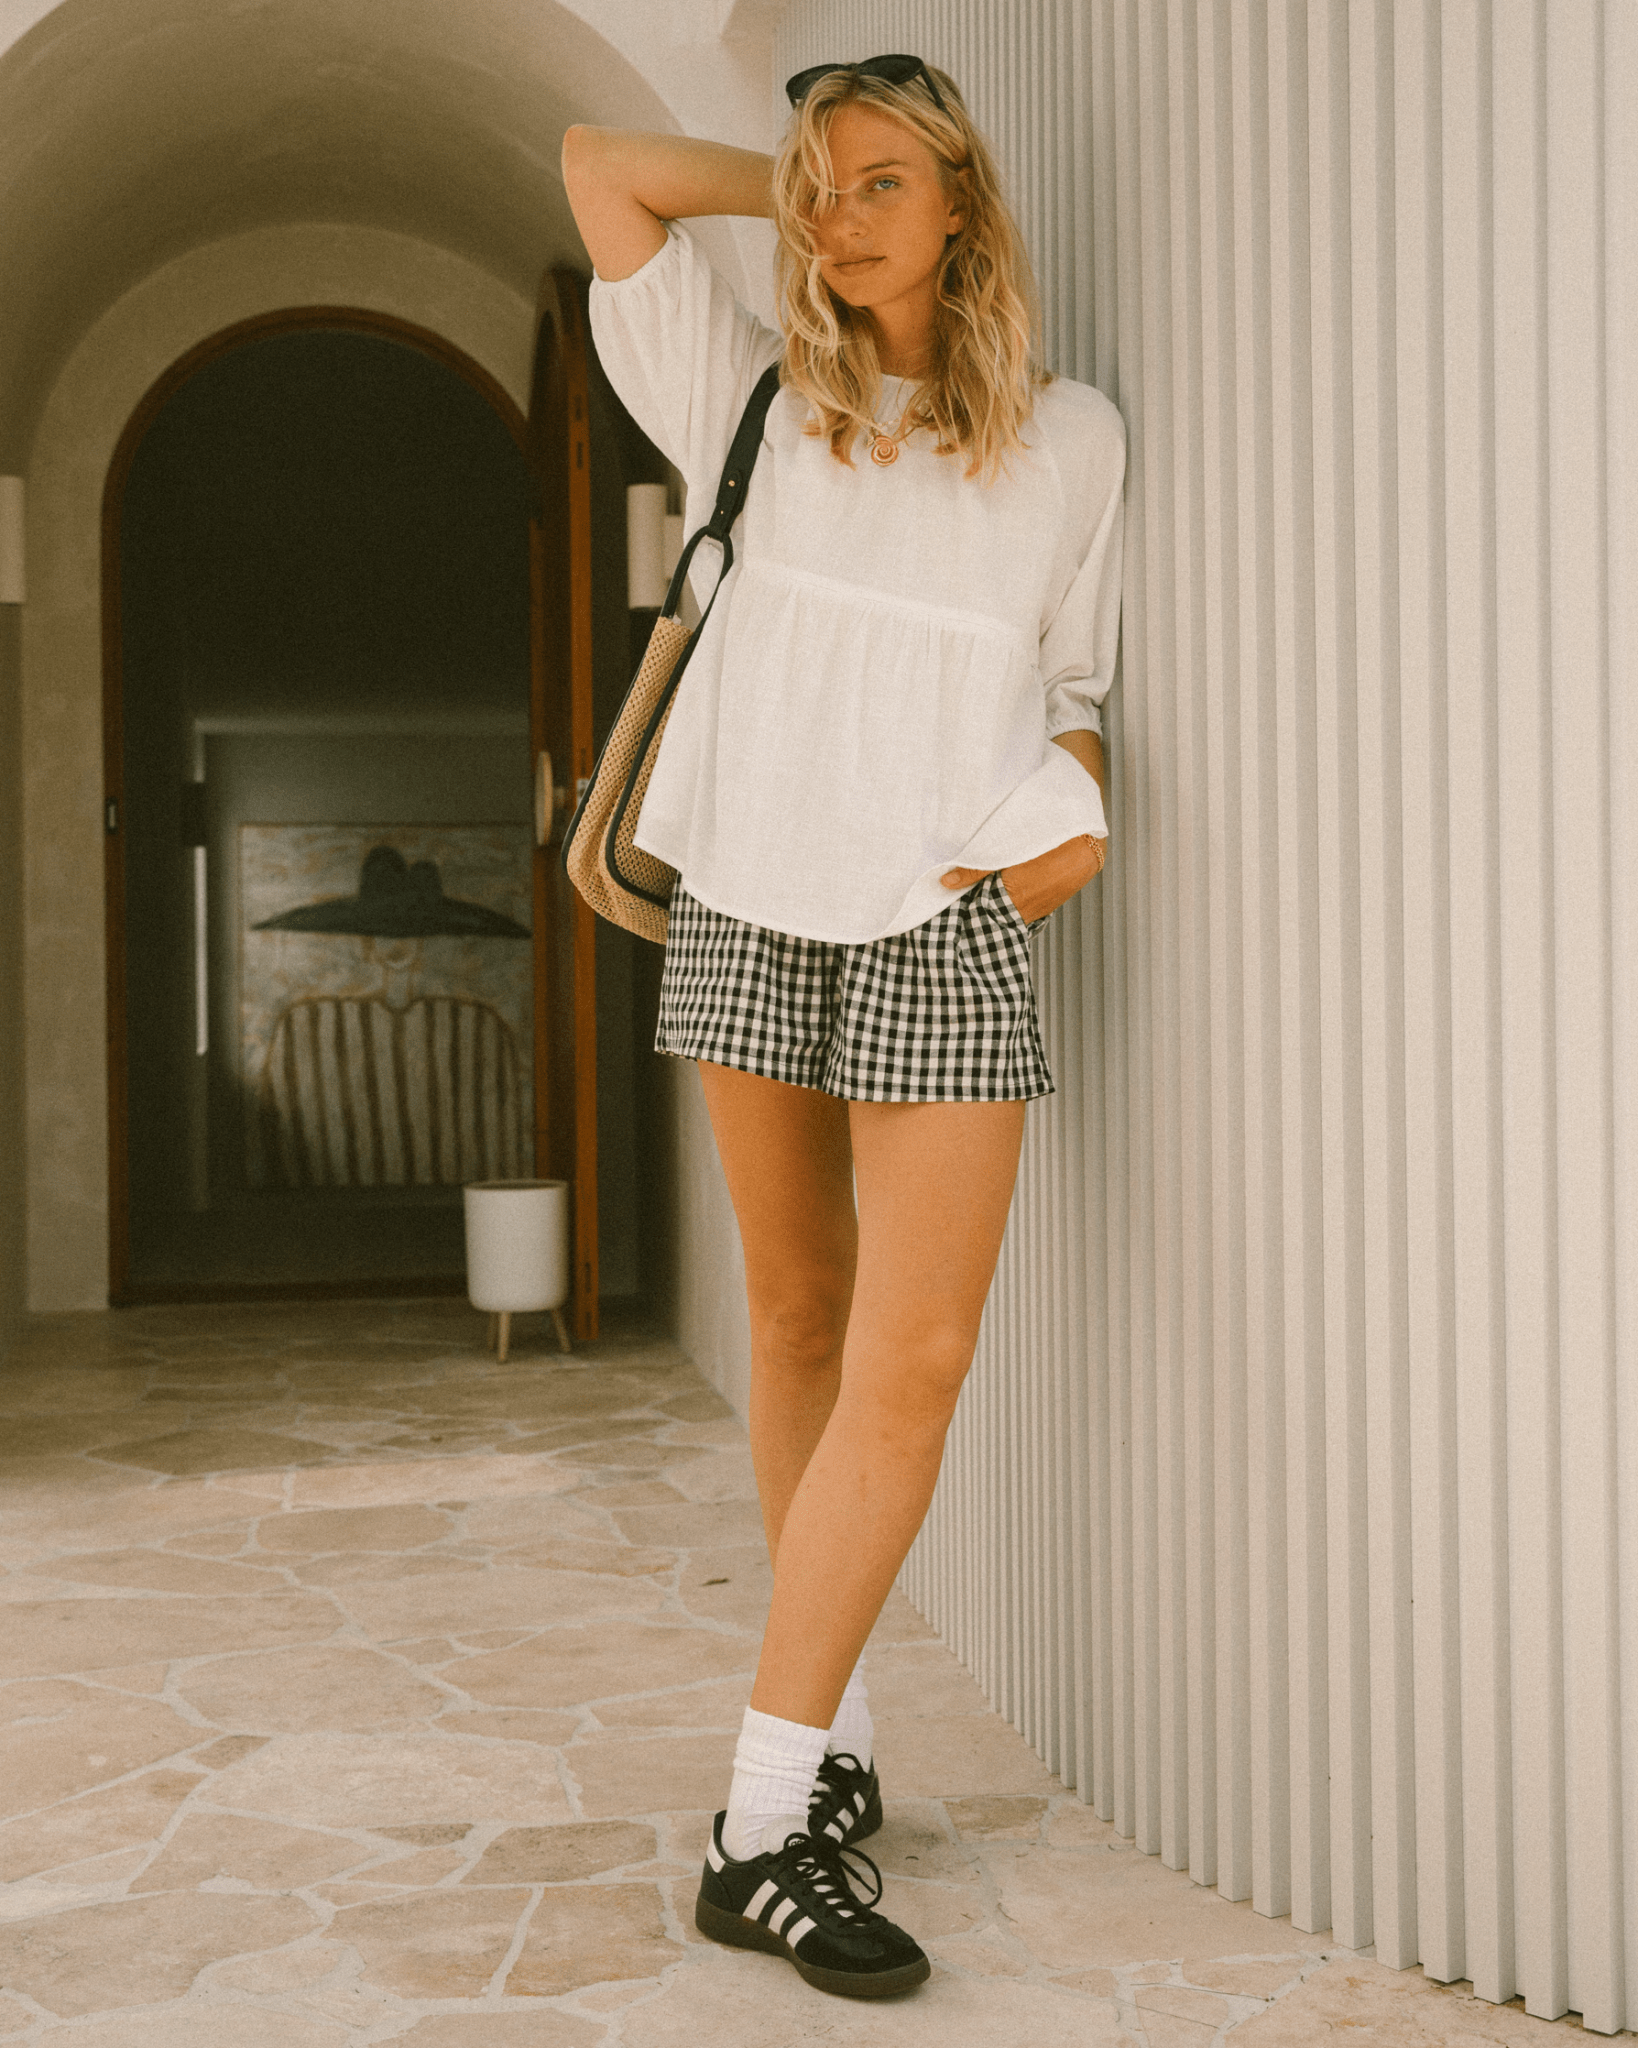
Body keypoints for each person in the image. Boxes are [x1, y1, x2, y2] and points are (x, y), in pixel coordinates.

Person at [561, 52, 1124, 2002]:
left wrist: (1067, 823)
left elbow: (1072, 678)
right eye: (825, 182)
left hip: (943, 915)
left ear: (966, 202)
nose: (842, 211)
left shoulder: (1069, 439)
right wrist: (791, 179)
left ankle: (753, 1825)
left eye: (890, 180)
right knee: (798, 1318)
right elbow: (602, 163)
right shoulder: (749, 392)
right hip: (748, 894)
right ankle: (811, 1769)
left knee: (920, 1350)